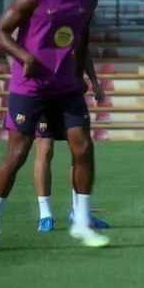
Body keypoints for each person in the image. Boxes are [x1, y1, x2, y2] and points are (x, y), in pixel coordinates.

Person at [0, 0, 109, 252]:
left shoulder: (87, 1)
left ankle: (81, 221)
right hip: (31, 89)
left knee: (84, 148)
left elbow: (81, 42)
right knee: (17, 156)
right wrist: (24, 57)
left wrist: (81, 78)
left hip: (65, 89)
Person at [33, 54, 110, 232]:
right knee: (44, 150)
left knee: (79, 150)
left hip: (70, 96)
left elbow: (84, 52)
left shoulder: (73, 27)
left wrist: (95, 82)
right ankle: (45, 215)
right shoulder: (38, 29)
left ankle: (78, 211)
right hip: (44, 94)